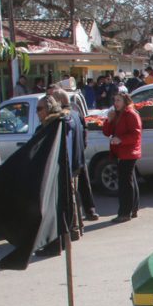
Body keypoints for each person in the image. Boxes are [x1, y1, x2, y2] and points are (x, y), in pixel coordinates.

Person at [51, 88, 99, 223]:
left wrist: (82, 144)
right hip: (77, 158)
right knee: (76, 193)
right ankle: (81, 221)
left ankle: (75, 225)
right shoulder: (75, 113)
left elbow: (83, 130)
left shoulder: (65, 117)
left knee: (72, 195)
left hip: (72, 160)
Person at [102, 92, 142, 223]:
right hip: (122, 151)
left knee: (125, 183)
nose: (116, 103)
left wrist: (121, 140)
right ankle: (132, 209)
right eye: (115, 100)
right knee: (129, 180)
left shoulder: (131, 114)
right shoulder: (117, 114)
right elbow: (107, 132)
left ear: (125, 101)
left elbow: (136, 135)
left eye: (118, 100)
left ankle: (125, 212)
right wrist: (109, 120)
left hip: (129, 152)